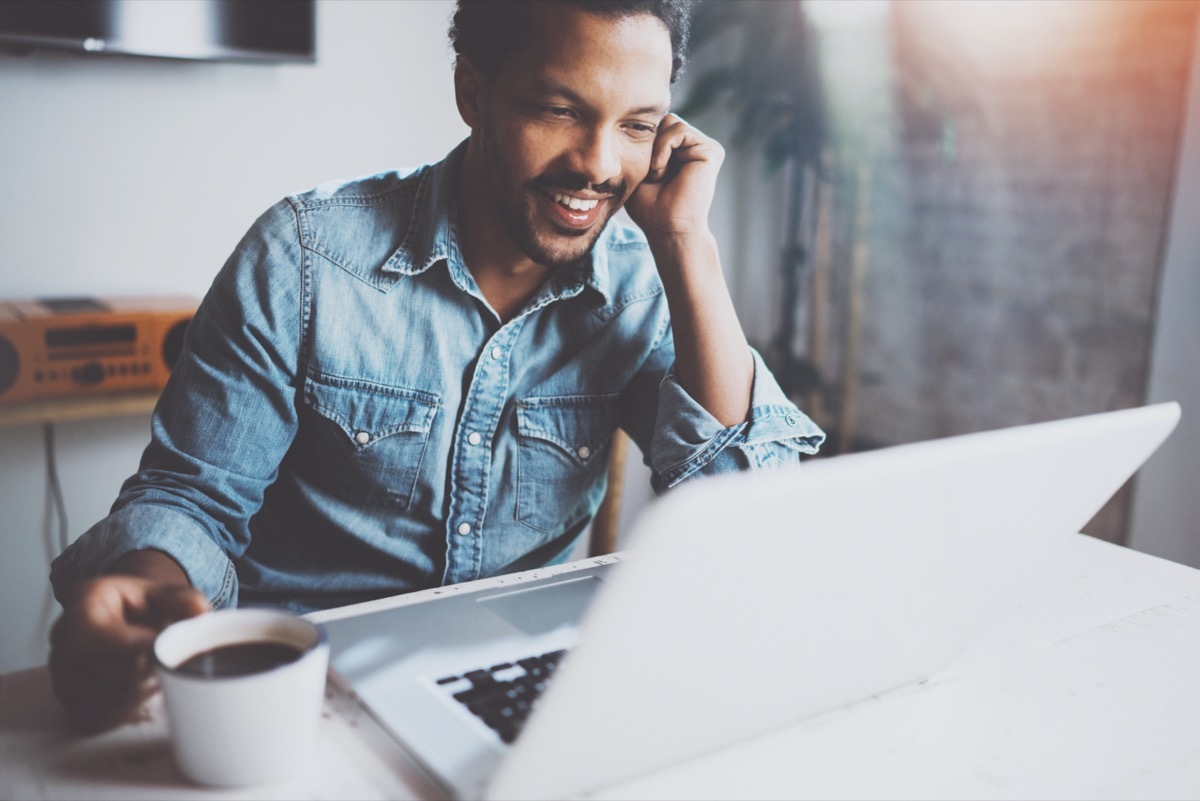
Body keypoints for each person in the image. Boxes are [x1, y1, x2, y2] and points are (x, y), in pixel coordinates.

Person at [48, 0, 824, 732]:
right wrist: (149, 593)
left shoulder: (642, 279)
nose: (596, 163)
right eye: (560, 110)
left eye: (637, 126)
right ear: (473, 94)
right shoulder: (303, 260)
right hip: (307, 696)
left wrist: (689, 242)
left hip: (527, 694)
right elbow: (193, 499)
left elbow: (750, 522)